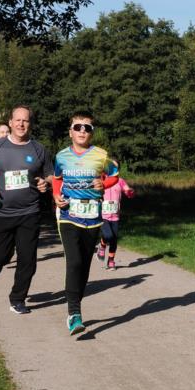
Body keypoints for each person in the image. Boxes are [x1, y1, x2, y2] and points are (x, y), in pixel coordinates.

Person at [0, 105, 52, 314]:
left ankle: (17, 299)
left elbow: (49, 175)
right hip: (1, 212)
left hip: (30, 212)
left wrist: (44, 184)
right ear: (10, 122)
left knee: (28, 259)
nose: (21, 124)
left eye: (25, 120)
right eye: (17, 120)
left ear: (30, 124)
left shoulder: (39, 149)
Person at [52, 111, 118, 335]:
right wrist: (55, 197)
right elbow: (57, 180)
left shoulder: (101, 155)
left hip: (93, 218)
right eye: (78, 127)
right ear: (70, 132)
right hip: (68, 215)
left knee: (85, 267)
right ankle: (74, 314)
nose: (82, 131)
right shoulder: (61, 156)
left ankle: (74, 303)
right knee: (74, 262)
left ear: (92, 132)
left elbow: (114, 175)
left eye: (87, 128)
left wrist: (104, 184)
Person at [96, 159, 135, 270]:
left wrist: (130, 192)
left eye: (116, 167)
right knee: (108, 235)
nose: (113, 168)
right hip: (103, 214)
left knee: (114, 239)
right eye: (111, 166)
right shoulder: (101, 180)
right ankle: (102, 245)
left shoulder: (120, 181)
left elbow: (127, 191)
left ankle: (111, 261)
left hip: (115, 215)